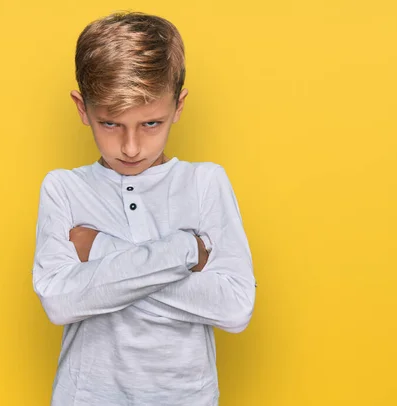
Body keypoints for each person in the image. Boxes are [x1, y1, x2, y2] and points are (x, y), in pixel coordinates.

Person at [32, 11, 256, 406]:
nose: (131, 147)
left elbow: (235, 307)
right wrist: (186, 250)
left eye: (151, 124)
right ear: (82, 108)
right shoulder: (64, 189)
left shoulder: (205, 183)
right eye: (111, 124)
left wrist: (98, 251)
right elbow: (59, 302)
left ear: (178, 105)